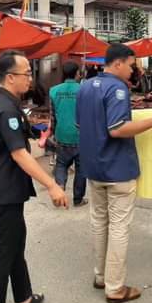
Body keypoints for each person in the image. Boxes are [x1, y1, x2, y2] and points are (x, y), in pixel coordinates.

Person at [77, 44, 152, 303]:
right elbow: (117, 129)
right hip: (117, 168)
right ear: (118, 63)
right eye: (131, 65)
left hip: (93, 167)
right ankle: (115, 287)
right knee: (119, 227)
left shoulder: (85, 86)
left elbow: (80, 124)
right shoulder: (117, 88)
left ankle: (101, 276)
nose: (133, 70)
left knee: (99, 223)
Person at [0, 50, 68, 303]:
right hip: (2, 188)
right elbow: (19, 154)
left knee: (16, 242)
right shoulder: (3, 106)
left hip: (5, 187)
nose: (30, 78)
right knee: (5, 249)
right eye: (26, 73)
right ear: (10, 77)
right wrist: (52, 184)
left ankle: (23, 297)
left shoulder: (3, 101)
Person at [49, 61, 87, 207]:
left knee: (61, 164)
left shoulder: (53, 90)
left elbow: (53, 117)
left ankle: (59, 192)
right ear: (77, 73)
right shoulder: (84, 90)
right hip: (80, 135)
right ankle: (78, 199)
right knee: (81, 169)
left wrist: (52, 133)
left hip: (62, 134)